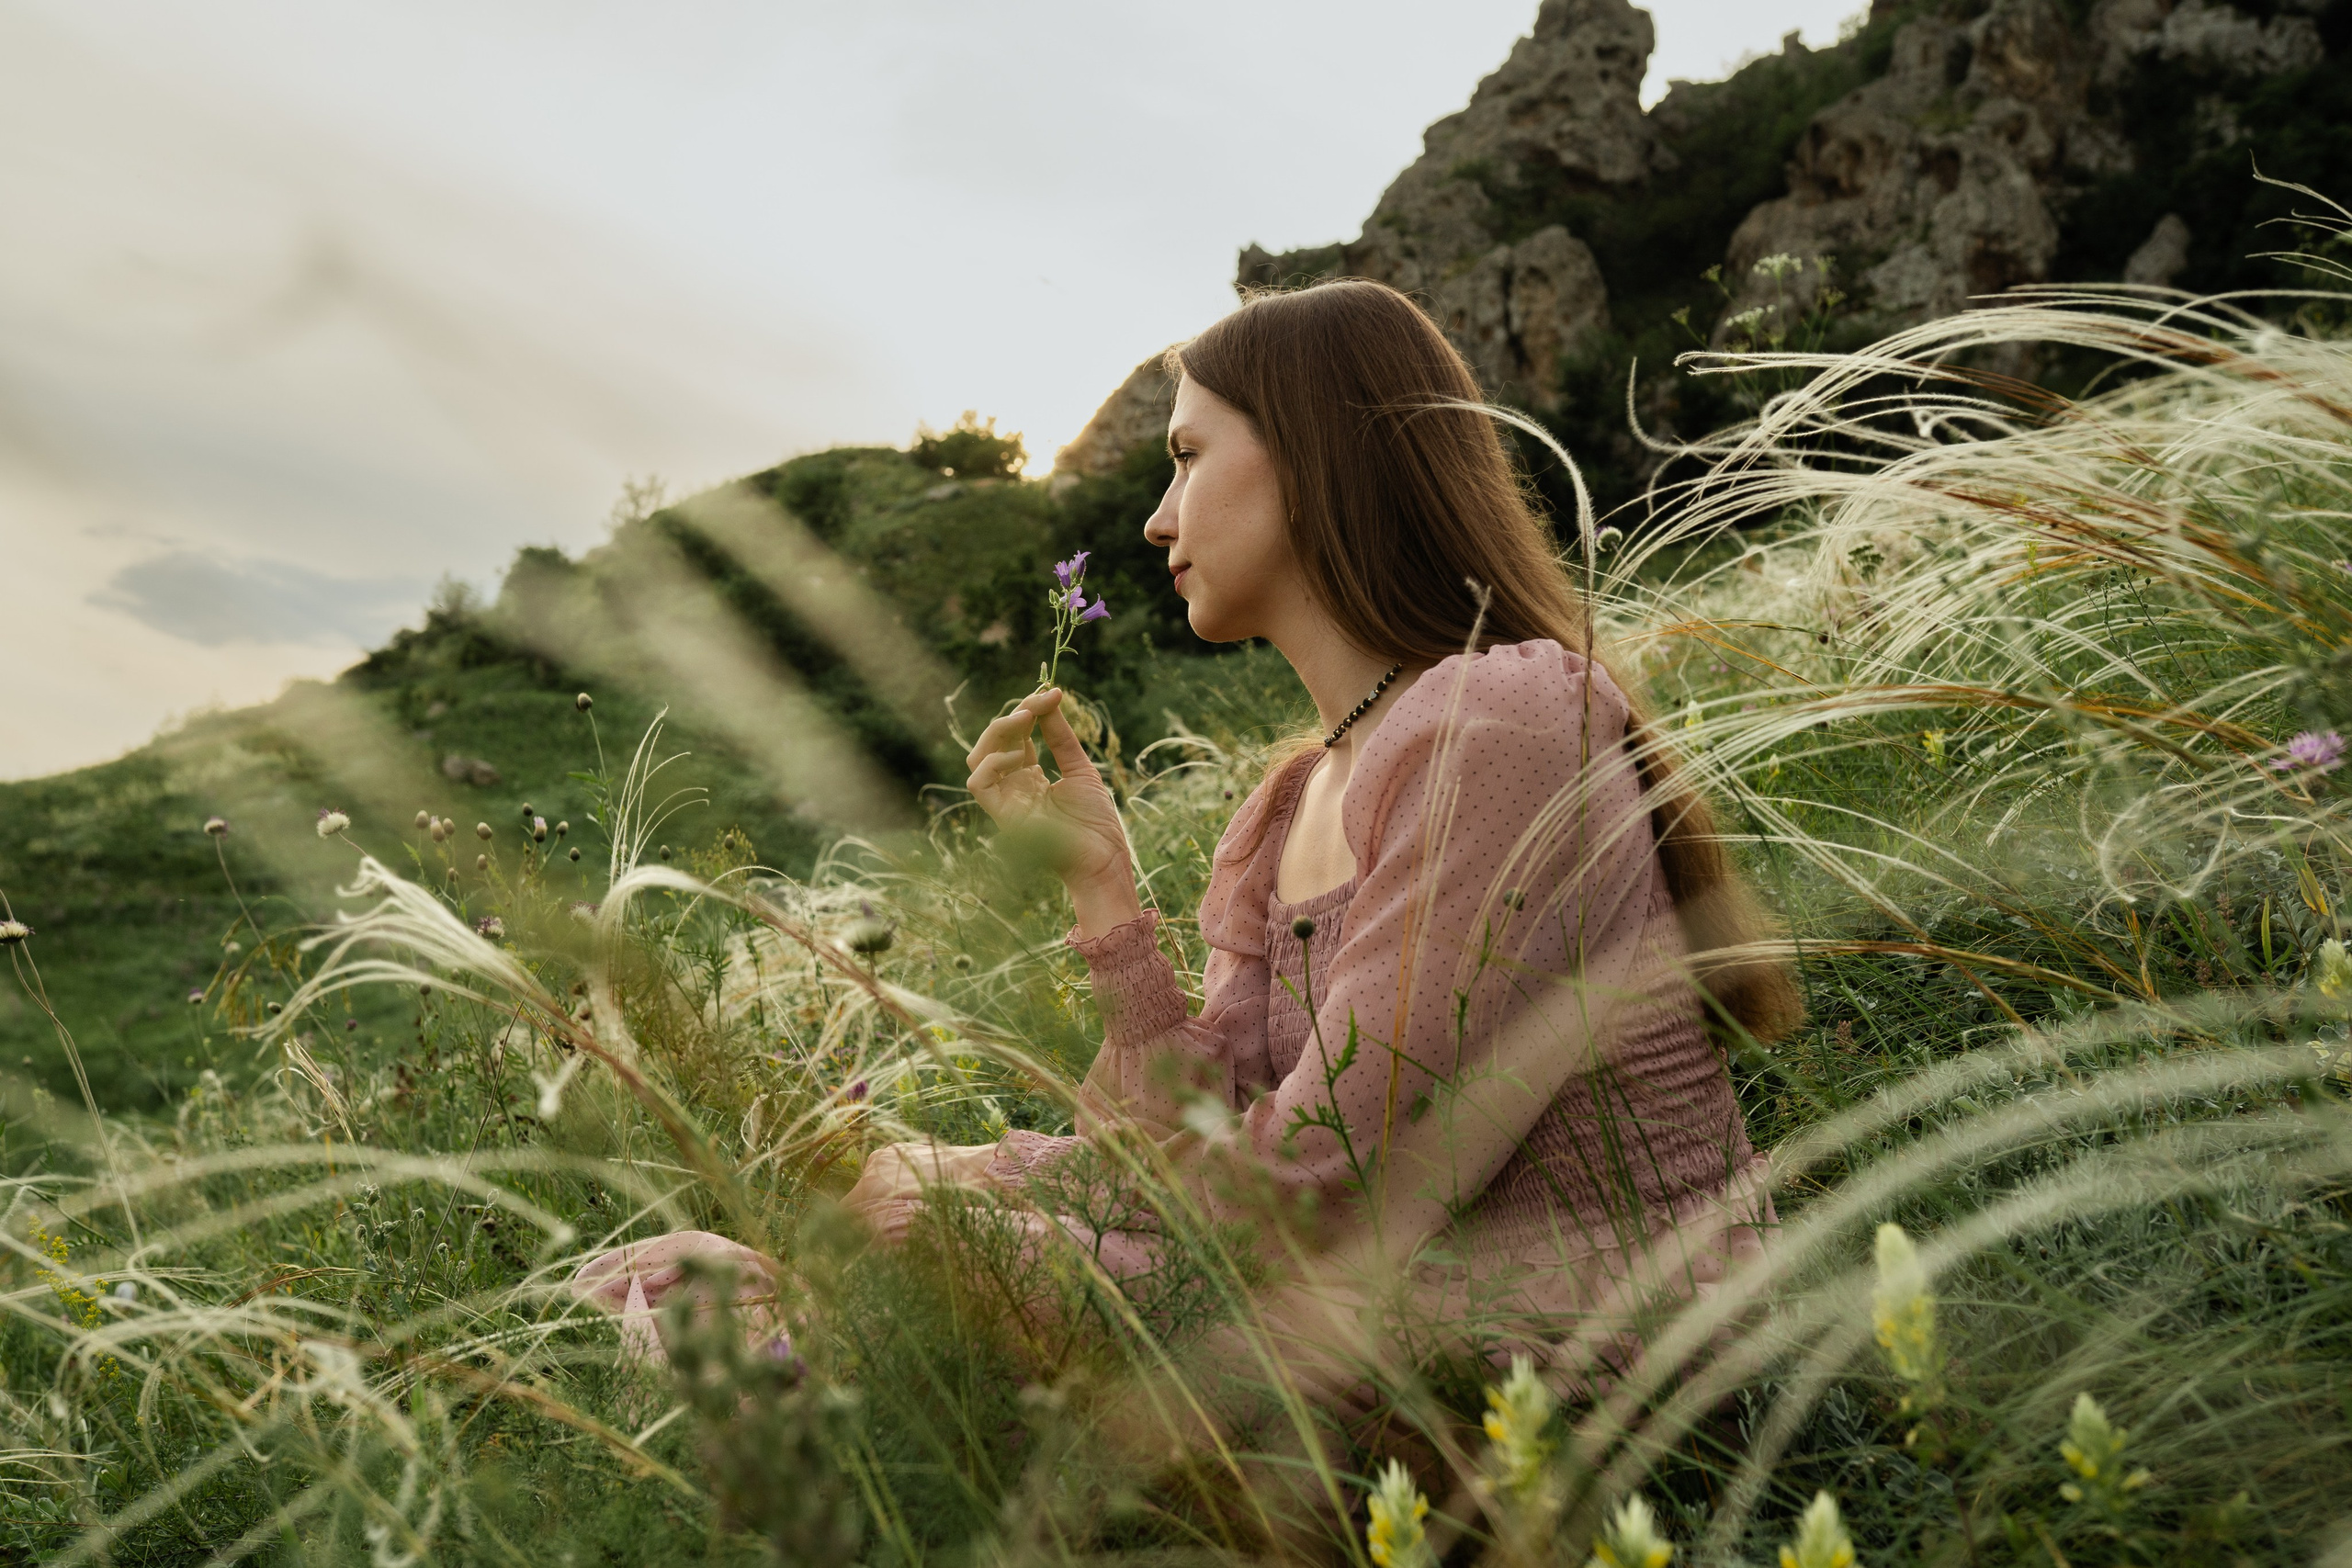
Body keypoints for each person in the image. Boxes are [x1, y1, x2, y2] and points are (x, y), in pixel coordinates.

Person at [575, 278, 1799, 1460]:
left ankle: (822, 1368)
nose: (1158, 518)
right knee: (891, 1223)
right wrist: (1101, 893)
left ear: (1319, 456)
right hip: (1392, 1319)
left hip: (1578, 1364)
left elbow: (1317, 1187)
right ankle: (827, 1354)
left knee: (917, 1255)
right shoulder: (1288, 803)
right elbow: (1204, 1135)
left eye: (1187, 457)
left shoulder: (1501, 723)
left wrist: (959, 1209)